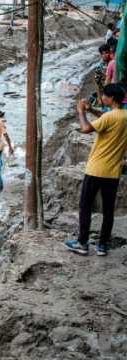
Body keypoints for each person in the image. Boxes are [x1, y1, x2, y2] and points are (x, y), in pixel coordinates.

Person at [65, 84, 127, 256]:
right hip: (113, 171)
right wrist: (92, 109)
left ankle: (82, 243)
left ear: (111, 98)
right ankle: (102, 245)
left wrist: (81, 112)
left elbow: (86, 129)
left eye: (104, 96)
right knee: (108, 210)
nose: (102, 99)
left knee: (85, 206)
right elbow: (106, 117)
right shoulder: (123, 115)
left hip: (96, 169)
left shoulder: (110, 117)